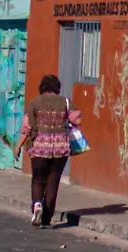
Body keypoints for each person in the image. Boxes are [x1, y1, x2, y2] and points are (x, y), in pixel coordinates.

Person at [13, 74, 80, 228]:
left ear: (42, 88)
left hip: (39, 147)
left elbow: (26, 129)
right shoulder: (65, 101)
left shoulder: (33, 104)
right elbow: (78, 120)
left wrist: (17, 147)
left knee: (38, 179)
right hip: (60, 148)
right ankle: (47, 219)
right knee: (52, 182)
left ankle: (37, 205)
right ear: (57, 88)